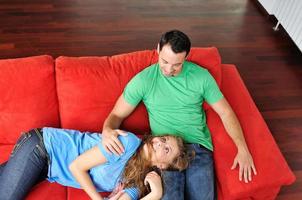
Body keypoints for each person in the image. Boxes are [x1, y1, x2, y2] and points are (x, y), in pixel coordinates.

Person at [101, 30, 257, 200]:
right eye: (165, 61)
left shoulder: (201, 77)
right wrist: (107, 129)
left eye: (176, 64)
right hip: (165, 154)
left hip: (197, 149)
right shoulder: (143, 80)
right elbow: (116, 114)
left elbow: (226, 112)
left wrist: (242, 149)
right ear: (158, 49)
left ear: (186, 57)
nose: (168, 69)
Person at [0, 127, 190, 200]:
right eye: (163, 139)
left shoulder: (136, 185)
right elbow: (76, 166)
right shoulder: (129, 142)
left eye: (166, 149)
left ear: (163, 166)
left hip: (46, 169)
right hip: (43, 146)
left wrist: (156, 194)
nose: (159, 143)